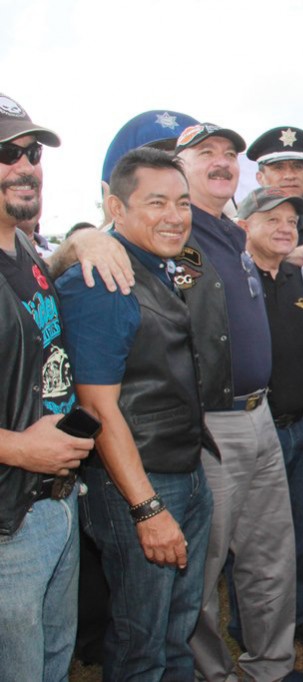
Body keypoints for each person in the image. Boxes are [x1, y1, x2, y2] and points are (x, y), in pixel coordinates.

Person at [57, 147, 213, 680]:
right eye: (157, 202)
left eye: (183, 202)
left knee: (176, 632)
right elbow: (98, 406)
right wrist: (147, 510)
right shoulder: (101, 279)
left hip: (183, 474)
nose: (175, 215)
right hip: (138, 487)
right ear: (115, 208)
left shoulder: (157, 265)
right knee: (140, 643)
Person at [174, 122, 303, 682]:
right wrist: (85, 240)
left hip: (259, 418)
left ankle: (271, 670)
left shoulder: (233, 238)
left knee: (270, 556)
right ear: (178, 167)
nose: (221, 161)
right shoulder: (171, 228)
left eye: (228, 154)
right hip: (210, 424)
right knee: (205, 569)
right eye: (205, 153)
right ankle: (212, 675)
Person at [0, 92, 93, 681]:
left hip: (54, 505)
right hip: (6, 523)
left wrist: (81, 242)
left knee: (53, 665)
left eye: (31, 151)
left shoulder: (27, 250)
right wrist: (16, 448)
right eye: (5, 153)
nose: (25, 165)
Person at [235, 186, 303, 649]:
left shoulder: (297, 277)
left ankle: (300, 612)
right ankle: (252, 628)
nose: (284, 228)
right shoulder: (231, 283)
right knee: (257, 541)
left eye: (291, 222)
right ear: (243, 227)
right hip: (257, 430)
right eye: (271, 219)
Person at [247, 125, 303, 255]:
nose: (290, 175)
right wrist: (288, 258)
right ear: (260, 178)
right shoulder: (242, 229)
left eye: (297, 167)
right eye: (279, 168)